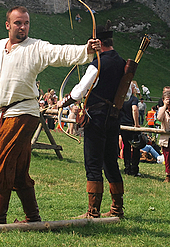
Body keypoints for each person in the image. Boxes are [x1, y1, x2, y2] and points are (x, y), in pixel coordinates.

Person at [0, 6, 98, 225]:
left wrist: (85, 49)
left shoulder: (36, 47)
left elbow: (60, 52)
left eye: (26, 23)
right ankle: (33, 217)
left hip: (23, 113)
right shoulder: (0, 46)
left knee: (0, 162)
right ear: (8, 25)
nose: (23, 27)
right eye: (18, 23)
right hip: (6, 113)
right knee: (19, 170)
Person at [57, 23, 125, 218]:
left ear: (98, 43)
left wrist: (63, 102)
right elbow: (126, 93)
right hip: (113, 118)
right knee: (110, 162)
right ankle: (116, 208)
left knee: (93, 163)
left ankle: (93, 211)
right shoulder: (121, 63)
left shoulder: (99, 63)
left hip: (96, 118)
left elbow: (80, 91)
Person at [120, 82, 141, 176]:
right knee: (136, 146)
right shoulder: (133, 98)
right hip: (131, 125)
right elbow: (135, 109)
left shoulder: (121, 99)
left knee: (126, 147)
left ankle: (127, 168)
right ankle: (134, 169)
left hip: (122, 125)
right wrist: (136, 124)